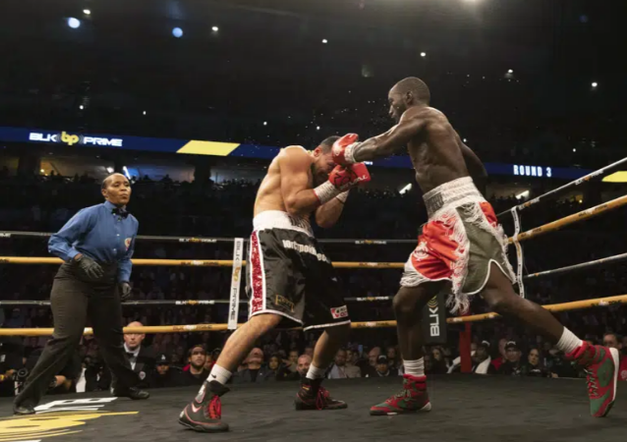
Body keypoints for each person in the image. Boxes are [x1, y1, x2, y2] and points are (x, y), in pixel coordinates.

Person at [331, 77, 618, 418]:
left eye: (393, 102)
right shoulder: (441, 129)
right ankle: (415, 391)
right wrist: (471, 198)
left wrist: (345, 153)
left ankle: (590, 356)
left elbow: (383, 145)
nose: (389, 109)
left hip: (462, 216)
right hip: (444, 220)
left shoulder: (423, 113)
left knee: (499, 299)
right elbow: (477, 166)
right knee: (405, 304)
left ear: (409, 97)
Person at [179, 137, 369, 432]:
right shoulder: (296, 154)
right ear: (317, 152)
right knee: (266, 317)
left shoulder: (326, 177)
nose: (329, 172)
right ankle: (203, 399)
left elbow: (325, 219)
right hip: (274, 237)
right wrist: (335, 181)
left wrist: (345, 186)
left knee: (339, 323)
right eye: (330, 166)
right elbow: (293, 202)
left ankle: (310, 391)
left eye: (338, 169)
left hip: (306, 242)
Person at [13, 174, 148, 415]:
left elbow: (126, 257)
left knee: (112, 338)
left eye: (127, 184)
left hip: (106, 282)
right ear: (105, 192)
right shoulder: (91, 213)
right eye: (116, 185)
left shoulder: (133, 222)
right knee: (66, 337)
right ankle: (26, 399)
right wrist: (78, 258)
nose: (124, 188)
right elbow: (56, 241)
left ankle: (124, 386)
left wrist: (124, 279)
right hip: (74, 279)